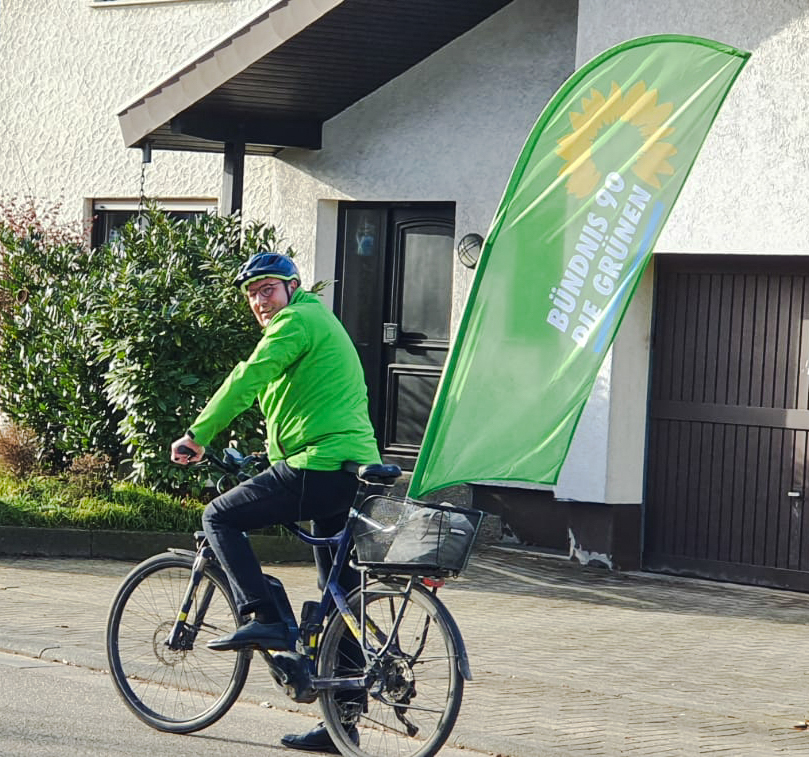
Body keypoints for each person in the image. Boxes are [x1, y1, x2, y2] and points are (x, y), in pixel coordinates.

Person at [171, 251, 380, 753]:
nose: (260, 301)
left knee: (218, 516)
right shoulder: (318, 321)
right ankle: (341, 725)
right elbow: (299, 396)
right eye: (251, 293)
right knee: (340, 594)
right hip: (349, 469)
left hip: (320, 463)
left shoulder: (295, 320)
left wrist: (198, 434)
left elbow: (249, 377)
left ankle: (261, 615)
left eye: (267, 288)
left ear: (291, 287)